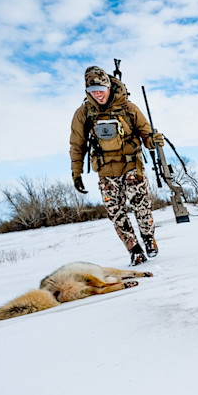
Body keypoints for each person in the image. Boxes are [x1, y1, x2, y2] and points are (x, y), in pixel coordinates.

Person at [69, 66, 164, 265]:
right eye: (92, 91)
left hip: (131, 164)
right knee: (115, 212)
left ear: (108, 87)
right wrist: (76, 173)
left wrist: (152, 141)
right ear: (87, 91)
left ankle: (148, 238)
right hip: (105, 169)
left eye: (100, 90)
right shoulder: (84, 113)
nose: (98, 95)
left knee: (140, 204)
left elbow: (145, 133)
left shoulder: (128, 107)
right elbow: (77, 144)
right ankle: (134, 250)